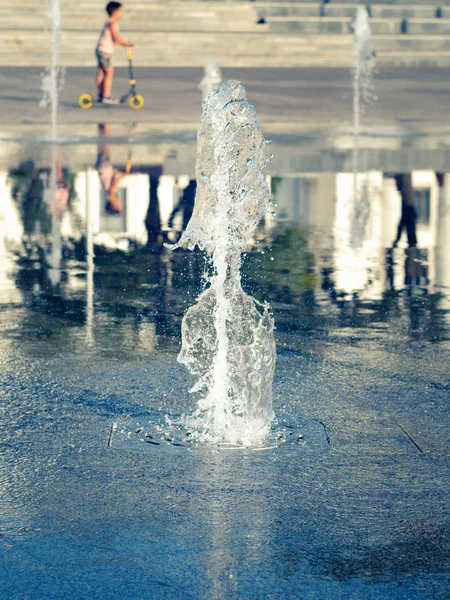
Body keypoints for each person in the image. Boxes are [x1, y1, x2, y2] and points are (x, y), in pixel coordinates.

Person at [96, 2, 134, 104]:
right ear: (115, 12)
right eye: (121, 11)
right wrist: (127, 43)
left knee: (102, 72)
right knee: (109, 71)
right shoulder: (112, 23)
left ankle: (101, 94)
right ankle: (106, 96)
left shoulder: (109, 22)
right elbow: (116, 38)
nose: (122, 14)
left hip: (101, 50)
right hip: (105, 51)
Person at [96, 124, 130, 214]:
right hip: (103, 167)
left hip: (105, 167)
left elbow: (115, 180)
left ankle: (105, 125)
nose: (120, 202)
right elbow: (113, 178)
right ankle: (102, 127)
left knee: (106, 145)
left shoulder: (111, 194)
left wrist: (124, 175)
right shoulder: (109, 195)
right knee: (103, 146)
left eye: (119, 205)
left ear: (114, 205)